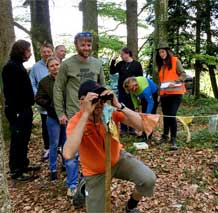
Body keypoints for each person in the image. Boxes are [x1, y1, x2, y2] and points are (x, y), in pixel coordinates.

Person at [63, 80, 156, 213]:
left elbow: (142, 126)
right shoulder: (76, 121)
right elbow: (68, 153)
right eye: (94, 100)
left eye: (102, 99)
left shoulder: (109, 112)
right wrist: (86, 113)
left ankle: (131, 205)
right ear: (82, 101)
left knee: (148, 179)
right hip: (95, 172)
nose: (100, 104)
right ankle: (84, 188)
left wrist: (119, 105)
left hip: (118, 159)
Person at [53, 32, 105, 199]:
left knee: (92, 150)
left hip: (94, 116)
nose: (86, 48)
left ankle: (88, 181)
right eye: (83, 44)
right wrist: (60, 112)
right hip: (74, 114)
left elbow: (103, 87)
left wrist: (105, 109)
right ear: (76, 45)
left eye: (89, 44)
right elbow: (58, 88)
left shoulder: (97, 63)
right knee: (73, 152)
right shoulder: (67, 65)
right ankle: (73, 184)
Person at [2, 40, 40, 181]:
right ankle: (16, 171)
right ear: (21, 50)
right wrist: (17, 111)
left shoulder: (19, 66)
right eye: (28, 51)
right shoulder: (11, 67)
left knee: (24, 139)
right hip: (17, 111)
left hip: (25, 109)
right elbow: (10, 92)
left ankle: (23, 165)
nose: (30, 54)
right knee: (18, 140)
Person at [35, 56, 66, 181]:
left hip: (66, 116)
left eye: (57, 65)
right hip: (53, 117)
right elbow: (38, 98)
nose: (55, 67)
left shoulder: (66, 79)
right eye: (51, 66)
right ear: (48, 68)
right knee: (54, 144)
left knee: (66, 142)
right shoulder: (44, 82)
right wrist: (50, 105)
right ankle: (53, 169)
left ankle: (65, 164)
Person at [155, 42, 187, 150]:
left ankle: (173, 139)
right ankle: (164, 135)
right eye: (159, 52)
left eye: (163, 52)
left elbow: (183, 74)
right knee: (166, 116)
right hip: (164, 94)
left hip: (176, 93)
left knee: (172, 115)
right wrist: (159, 93)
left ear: (167, 52)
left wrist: (176, 81)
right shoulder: (161, 65)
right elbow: (161, 81)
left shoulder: (175, 60)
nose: (161, 54)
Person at [110, 47, 143, 135]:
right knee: (122, 108)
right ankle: (123, 129)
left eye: (123, 54)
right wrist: (113, 60)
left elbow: (140, 78)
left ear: (128, 54)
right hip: (122, 90)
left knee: (131, 108)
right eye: (121, 55)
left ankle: (132, 128)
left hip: (132, 91)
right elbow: (112, 71)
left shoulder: (137, 64)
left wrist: (138, 92)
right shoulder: (120, 64)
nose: (122, 56)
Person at [29, 43, 54, 160]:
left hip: (56, 102)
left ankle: (59, 147)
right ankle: (47, 147)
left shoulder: (57, 64)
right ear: (40, 53)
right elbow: (32, 83)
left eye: (48, 51)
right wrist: (37, 95)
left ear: (52, 51)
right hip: (43, 102)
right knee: (45, 125)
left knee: (59, 125)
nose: (46, 54)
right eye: (44, 52)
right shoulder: (35, 67)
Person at [123, 76, 159, 141]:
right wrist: (136, 108)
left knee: (150, 116)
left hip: (153, 94)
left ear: (136, 84)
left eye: (134, 87)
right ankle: (144, 133)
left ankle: (149, 136)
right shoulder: (131, 87)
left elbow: (151, 102)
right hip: (143, 96)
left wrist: (147, 114)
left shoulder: (145, 88)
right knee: (143, 115)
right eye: (131, 89)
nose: (133, 90)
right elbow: (133, 98)